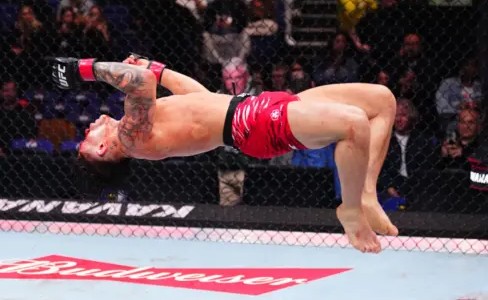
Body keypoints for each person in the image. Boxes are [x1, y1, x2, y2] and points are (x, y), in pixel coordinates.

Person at [50, 55, 399, 253]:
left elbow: (200, 97)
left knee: (382, 101)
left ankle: (367, 193)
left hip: (252, 107)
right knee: (353, 124)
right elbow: (139, 81)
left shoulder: (141, 126)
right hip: (251, 124)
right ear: (100, 148)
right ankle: (350, 209)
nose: (88, 127)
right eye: (86, 136)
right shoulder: (130, 137)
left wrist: (161, 70)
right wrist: (83, 68)